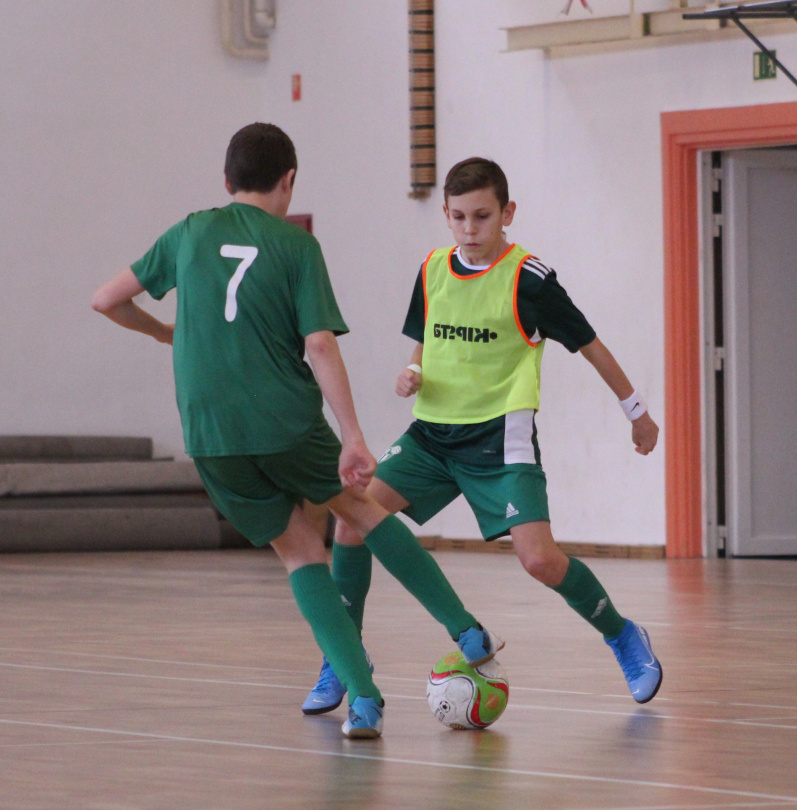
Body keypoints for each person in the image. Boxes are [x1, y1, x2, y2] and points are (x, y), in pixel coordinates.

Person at [91, 125, 503, 740]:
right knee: (360, 512)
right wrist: (353, 434)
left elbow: (105, 300)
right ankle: (465, 629)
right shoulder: (296, 245)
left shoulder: (188, 232)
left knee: (299, 552)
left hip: (210, 434)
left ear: (226, 181)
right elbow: (319, 345)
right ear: (289, 181)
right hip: (282, 420)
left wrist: (163, 333)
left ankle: (363, 702)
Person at [303, 156, 662, 715]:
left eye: (482, 216)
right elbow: (428, 336)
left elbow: (590, 345)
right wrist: (413, 369)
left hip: (500, 442)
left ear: (507, 213)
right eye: (458, 217)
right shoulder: (432, 268)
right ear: (446, 215)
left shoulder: (530, 280)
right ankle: (343, 658)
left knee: (540, 561)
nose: (469, 229)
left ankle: (622, 633)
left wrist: (636, 412)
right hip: (430, 437)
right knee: (351, 520)